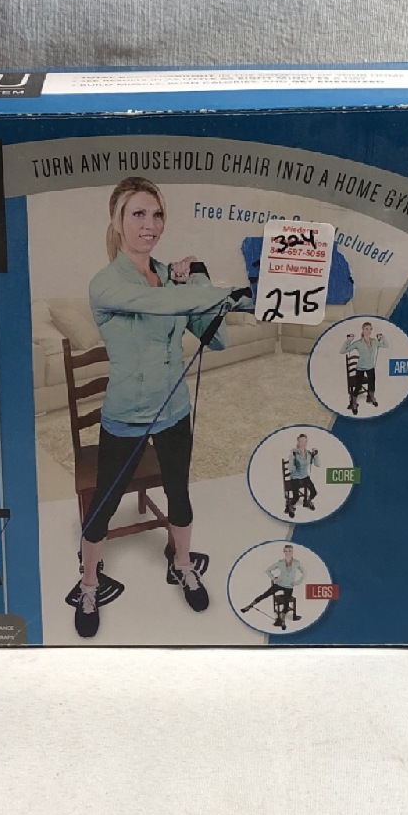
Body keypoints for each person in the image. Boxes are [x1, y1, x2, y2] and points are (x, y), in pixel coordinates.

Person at [74, 176, 253, 637]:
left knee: (180, 493)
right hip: (127, 414)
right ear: (117, 220)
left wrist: (200, 276)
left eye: (156, 215)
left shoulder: (173, 278)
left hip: (174, 408)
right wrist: (215, 290)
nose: (149, 225)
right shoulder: (106, 285)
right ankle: (90, 583)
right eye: (138, 214)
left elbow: (217, 339)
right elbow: (161, 304)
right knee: (104, 505)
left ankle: (183, 563)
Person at [240, 544, 305, 630]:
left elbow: (304, 573)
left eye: (290, 551)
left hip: (289, 586)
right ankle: (249, 606)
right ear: (284, 551)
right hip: (279, 584)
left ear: (292, 552)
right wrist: (274, 578)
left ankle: (282, 621)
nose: (288, 552)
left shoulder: (297, 563)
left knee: (286, 603)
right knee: (265, 594)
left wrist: (298, 582)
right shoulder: (280, 562)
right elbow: (268, 570)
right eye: (286, 551)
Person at [340, 322, 388, 414]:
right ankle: (354, 404)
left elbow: (386, 345)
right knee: (358, 386)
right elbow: (342, 351)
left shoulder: (374, 341)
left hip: (370, 367)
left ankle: (371, 398)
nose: (369, 331)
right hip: (360, 368)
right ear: (362, 330)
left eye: (370, 329)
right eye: (366, 329)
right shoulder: (358, 343)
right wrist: (348, 341)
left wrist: (382, 337)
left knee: (372, 383)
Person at [287, 433, 320, 516]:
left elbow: (318, 464)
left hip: (305, 477)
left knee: (314, 492)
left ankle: (307, 502)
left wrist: (316, 454)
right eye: (301, 441)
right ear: (298, 442)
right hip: (295, 478)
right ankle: (290, 505)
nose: (303, 443)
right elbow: (291, 469)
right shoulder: (295, 454)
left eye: (305, 441)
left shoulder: (309, 453)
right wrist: (291, 456)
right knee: (296, 497)